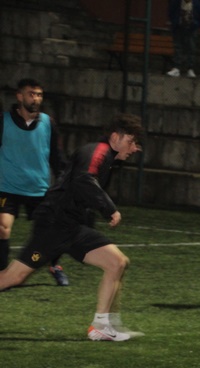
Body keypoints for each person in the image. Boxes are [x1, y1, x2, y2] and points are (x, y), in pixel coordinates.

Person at [0, 114, 145, 342]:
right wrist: (109, 209)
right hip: (54, 224)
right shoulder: (98, 151)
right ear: (115, 137)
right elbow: (84, 179)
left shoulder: (106, 157)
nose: (135, 148)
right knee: (13, 277)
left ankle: (101, 326)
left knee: (117, 262)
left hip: (71, 226)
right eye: (131, 141)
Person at [0, 78, 69, 286]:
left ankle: (54, 265)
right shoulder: (3, 121)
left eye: (39, 95)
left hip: (38, 189)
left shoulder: (48, 123)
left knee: (50, 231)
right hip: (7, 187)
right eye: (31, 94)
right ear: (19, 96)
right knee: (2, 227)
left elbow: (56, 155)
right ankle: (2, 272)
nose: (36, 99)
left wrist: (63, 179)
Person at [166, 0, 200, 78]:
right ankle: (176, 67)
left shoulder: (197, 4)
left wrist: (196, 24)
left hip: (191, 29)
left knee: (191, 48)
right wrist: (175, 22)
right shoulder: (177, 3)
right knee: (177, 47)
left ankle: (190, 68)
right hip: (178, 28)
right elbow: (171, 13)